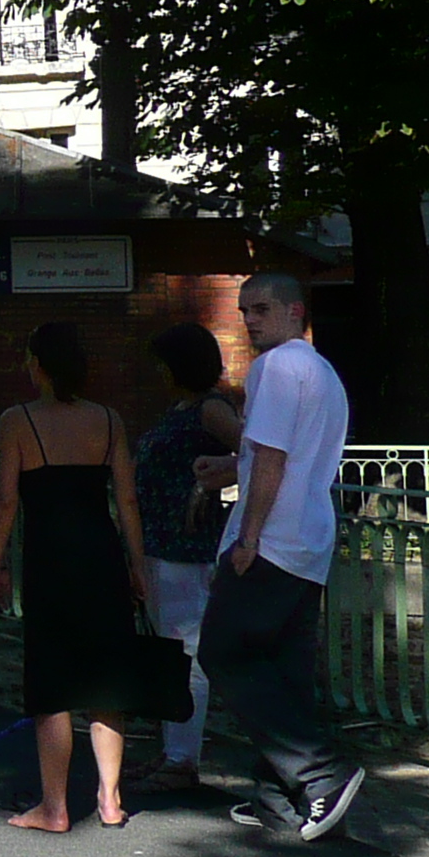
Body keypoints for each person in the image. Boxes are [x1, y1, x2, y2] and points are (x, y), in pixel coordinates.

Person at [202, 271, 364, 840]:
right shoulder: (322, 371)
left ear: (296, 311)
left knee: (222, 653)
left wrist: (247, 538)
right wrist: (228, 468)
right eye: (245, 310)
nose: (250, 321)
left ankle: (321, 775)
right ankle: (280, 799)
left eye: (262, 309)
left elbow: (271, 460)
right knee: (284, 668)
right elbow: (293, 457)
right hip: (310, 535)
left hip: (271, 539)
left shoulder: (274, 369)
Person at [0, 322, 152, 833]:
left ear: (39, 365)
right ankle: (110, 799)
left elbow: (9, 498)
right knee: (106, 677)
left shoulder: (17, 421)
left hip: (49, 560)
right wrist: (138, 564)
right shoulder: (108, 419)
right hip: (101, 557)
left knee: (52, 682)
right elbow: (125, 498)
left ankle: (55, 807)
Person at [130, 323, 241, 792]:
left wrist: (208, 481)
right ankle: (172, 749)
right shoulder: (183, 408)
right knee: (168, 650)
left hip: (187, 547)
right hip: (161, 542)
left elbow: (254, 454)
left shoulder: (211, 409)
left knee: (185, 651)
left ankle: (182, 757)